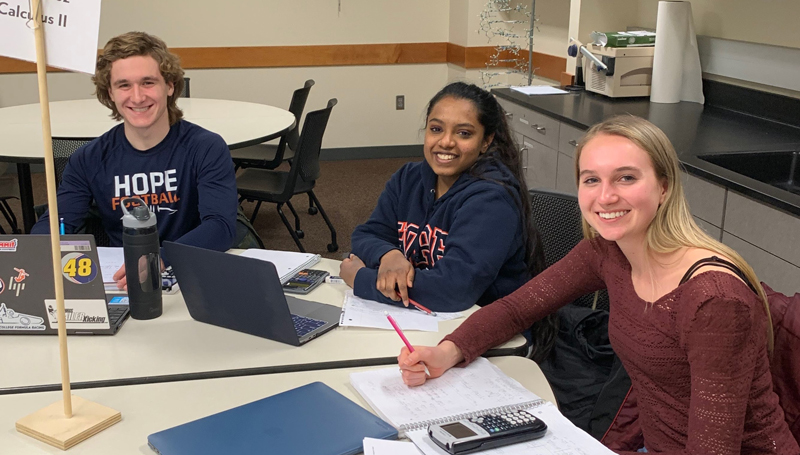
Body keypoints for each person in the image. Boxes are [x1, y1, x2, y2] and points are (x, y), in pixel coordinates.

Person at [398, 115, 800, 454]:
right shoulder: (608, 252)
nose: (605, 197)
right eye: (591, 180)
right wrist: (448, 351)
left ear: (663, 187)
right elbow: (519, 308)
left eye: (625, 177)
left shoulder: (714, 301)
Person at [32, 32, 238, 290]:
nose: (138, 97)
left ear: (170, 85)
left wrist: (158, 259)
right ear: (111, 92)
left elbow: (220, 227)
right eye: (124, 85)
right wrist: (34, 255)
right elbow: (56, 224)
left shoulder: (205, 147)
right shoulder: (89, 158)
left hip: (193, 273)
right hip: (125, 281)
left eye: (148, 82)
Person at [339, 82, 544, 315]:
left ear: (485, 141)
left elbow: (453, 290)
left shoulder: (492, 199)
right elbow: (367, 234)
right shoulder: (408, 178)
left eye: (464, 133)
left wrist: (361, 279)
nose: (446, 142)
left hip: (485, 328)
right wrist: (390, 255)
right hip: (423, 317)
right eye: (436, 129)